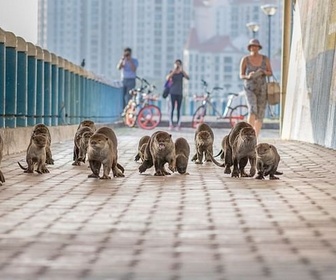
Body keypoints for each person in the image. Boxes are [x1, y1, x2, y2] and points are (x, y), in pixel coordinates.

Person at [240, 38, 273, 137]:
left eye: (256, 46)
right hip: (249, 88)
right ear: (250, 48)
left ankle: (255, 136)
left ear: (259, 48)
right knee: (252, 109)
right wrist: (248, 76)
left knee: (260, 112)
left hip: (262, 88)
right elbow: (241, 75)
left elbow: (270, 72)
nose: (254, 48)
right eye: (252, 46)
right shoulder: (245, 59)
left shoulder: (265, 59)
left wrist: (263, 72)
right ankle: (248, 135)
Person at [166, 59, 189, 131]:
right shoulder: (172, 72)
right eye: (176, 64)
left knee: (179, 109)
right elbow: (167, 78)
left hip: (179, 93)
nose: (177, 65)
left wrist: (182, 70)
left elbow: (188, 78)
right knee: (172, 109)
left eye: (179, 64)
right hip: (172, 92)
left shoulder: (181, 73)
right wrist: (174, 71)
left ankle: (178, 125)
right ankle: (171, 124)